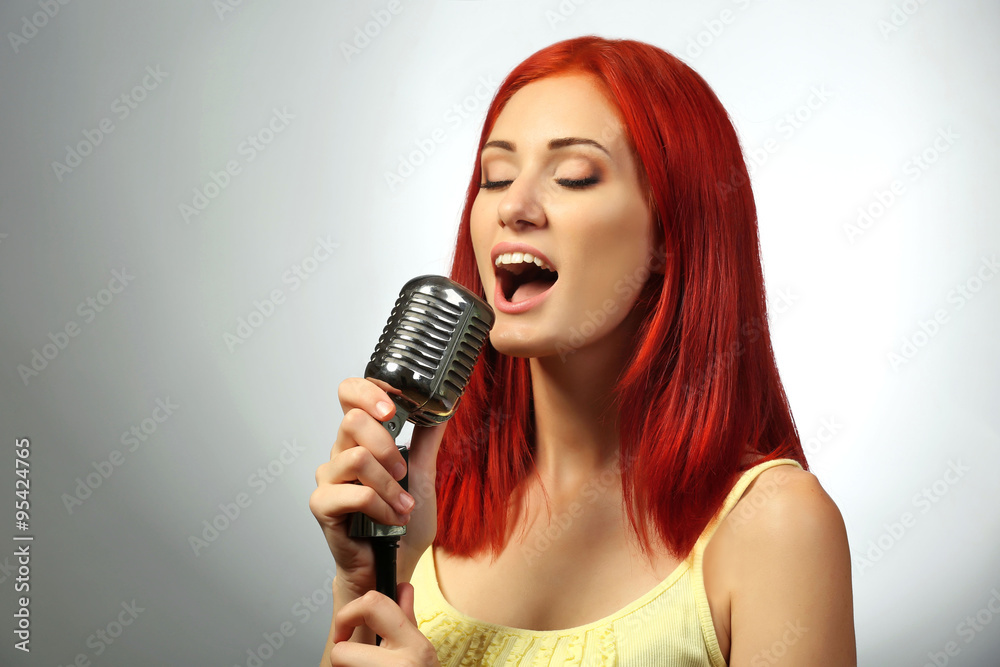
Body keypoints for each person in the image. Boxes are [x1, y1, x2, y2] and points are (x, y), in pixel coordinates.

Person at [311, 35, 856, 666]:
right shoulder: (419, 512)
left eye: (573, 176)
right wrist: (367, 576)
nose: (513, 206)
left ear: (673, 235)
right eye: (496, 176)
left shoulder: (775, 527)